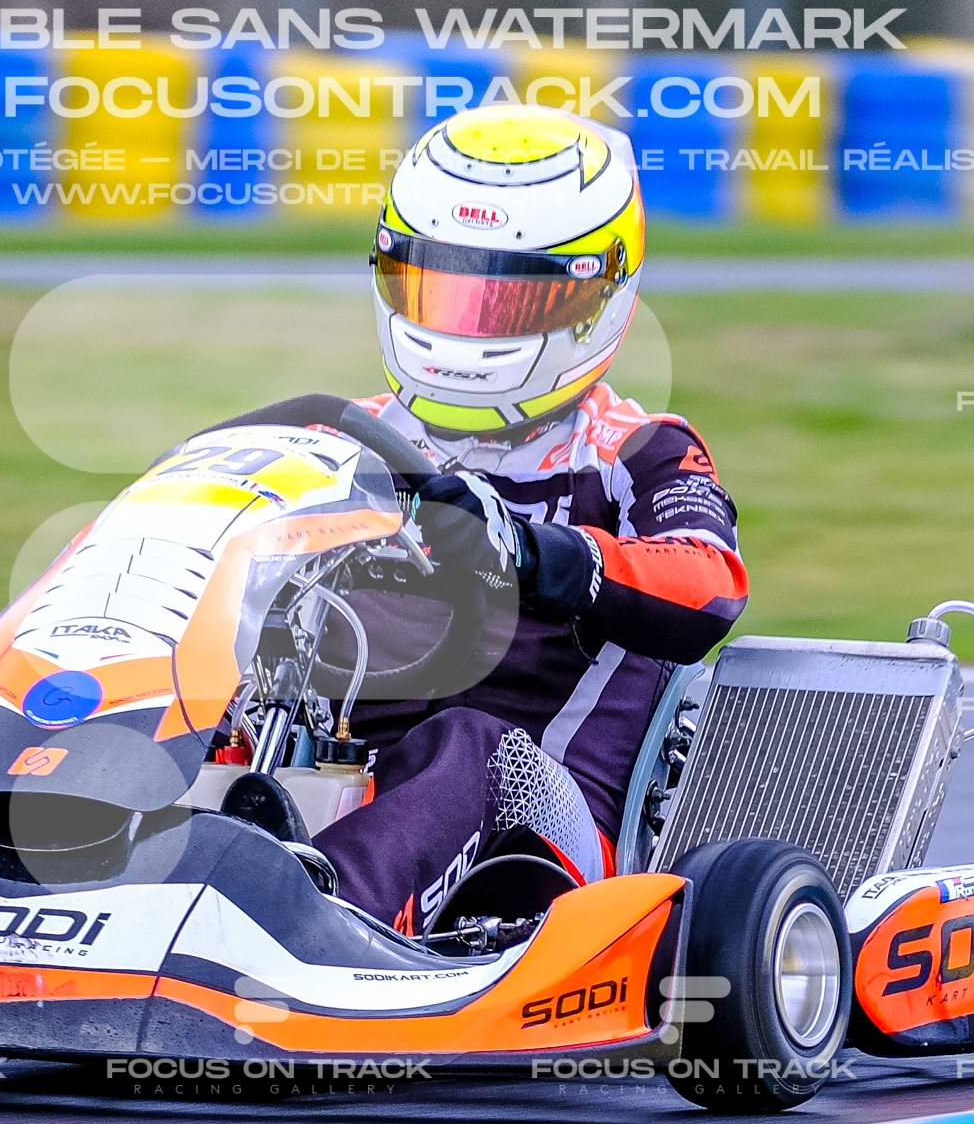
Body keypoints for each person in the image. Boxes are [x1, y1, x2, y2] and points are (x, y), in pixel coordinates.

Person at [301, 104, 748, 933]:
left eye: (504, 303)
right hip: (342, 783)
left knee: (468, 746)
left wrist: (535, 553)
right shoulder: (336, 445)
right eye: (440, 290)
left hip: (547, 834)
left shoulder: (636, 452)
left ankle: (310, 925)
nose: (467, 326)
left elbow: (710, 585)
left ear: (595, 297)